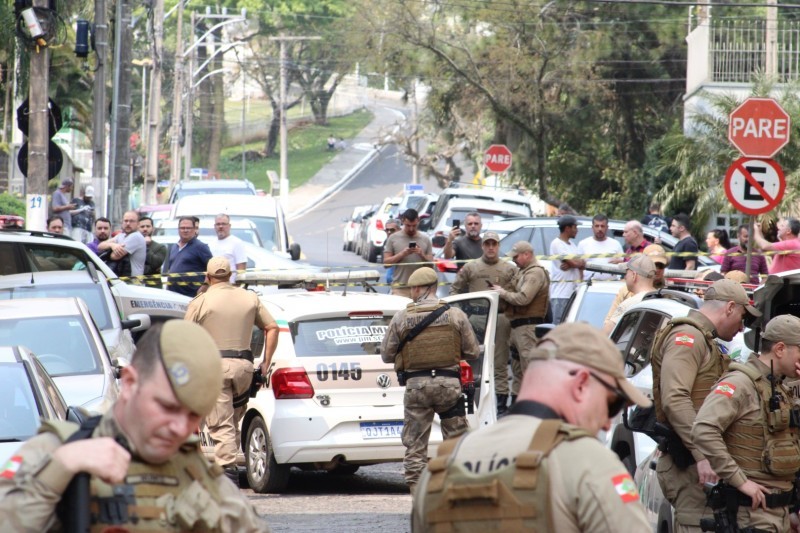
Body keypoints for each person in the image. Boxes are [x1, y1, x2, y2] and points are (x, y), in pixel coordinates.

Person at [0, 320, 270, 532]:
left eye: (192, 415)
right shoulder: (55, 451)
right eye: (167, 407)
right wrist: (62, 467)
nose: (179, 428)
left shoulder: (193, 470)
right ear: (129, 382)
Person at [411, 323, 652, 532]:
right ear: (580, 384)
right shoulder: (589, 462)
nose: (608, 422)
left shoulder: (441, 468)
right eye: (612, 404)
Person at [651, 279, 761, 531]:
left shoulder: (703, 338)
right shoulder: (688, 337)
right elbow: (675, 399)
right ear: (730, 307)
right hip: (691, 465)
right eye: (742, 317)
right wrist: (703, 454)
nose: (741, 326)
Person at [692, 314, 800, 532]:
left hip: (781, 510)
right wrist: (739, 480)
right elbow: (703, 429)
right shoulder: (739, 384)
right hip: (752, 512)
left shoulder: (780, 388)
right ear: (780, 349)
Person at [380, 267, 480, 492]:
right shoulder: (455, 315)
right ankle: (456, 497)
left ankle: (418, 499)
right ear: (434, 287)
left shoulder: (401, 317)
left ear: (417, 288)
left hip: (417, 389)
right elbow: (473, 351)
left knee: (415, 448)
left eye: (412, 289)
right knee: (455, 444)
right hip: (449, 387)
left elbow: (386, 355)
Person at [185, 257, 279, 486]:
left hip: (216, 368)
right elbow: (272, 327)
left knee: (222, 425)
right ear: (230, 276)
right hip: (244, 369)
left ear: (207, 278)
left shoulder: (201, 301)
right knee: (232, 421)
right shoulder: (250, 298)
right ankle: (225, 468)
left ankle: (228, 478)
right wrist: (265, 362)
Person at [450, 231, 517, 415]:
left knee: (500, 361)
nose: (490, 247)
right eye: (487, 244)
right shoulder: (471, 268)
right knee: (472, 359)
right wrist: (461, 313)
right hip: (476, 319)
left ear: (498, 246)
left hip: (501, 318)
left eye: (494, 244)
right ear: (482, 246)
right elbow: (454, 290)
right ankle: (470, 398)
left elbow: (519, 294)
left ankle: (501, 404)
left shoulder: (509, 269)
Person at [491, 241, 550, 373]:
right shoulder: (523, 271)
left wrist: (503, 293)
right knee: (517, 369)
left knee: (530, 371)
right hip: (518, 327)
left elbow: (523, 298)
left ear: (527, 255)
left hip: (528, 328)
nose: (513, 260)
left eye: (516, 257)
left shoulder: (534, 273)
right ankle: (517, 394)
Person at [383, 209, 434, 298]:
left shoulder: (426, 239)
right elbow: (386, 263)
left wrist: (422, 255)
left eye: (414, 226)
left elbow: (431, 265)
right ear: (402, 221)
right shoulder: (393, 238)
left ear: (418, 221)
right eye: (408, 225)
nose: (411, 229)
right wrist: (402, 254)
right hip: (400, 288)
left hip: (421, 288)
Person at [602, 255, 656, 334]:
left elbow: (605, 335)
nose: (625, 277)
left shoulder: (630, 304)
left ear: (634, 275)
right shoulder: (662, 298)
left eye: (626, 272)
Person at [163, 216, 213, 297]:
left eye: (188, 228)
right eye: (182, 228)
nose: (185, 230)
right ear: (178, 229)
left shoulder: (201, 247)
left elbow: (213, 270)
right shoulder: (174, 247)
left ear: (194, 230)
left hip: (192, 296)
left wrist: (203, 288)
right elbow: (169, 271)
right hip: (173, 295)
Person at [549, 215, 584, 324]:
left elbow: (582, 263)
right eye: (575, 227)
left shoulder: (573, 245)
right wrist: (574, 263)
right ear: (567, 228)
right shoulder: (557, 244)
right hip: (561, 294)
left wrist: (574, 264)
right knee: (559, 326)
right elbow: (574, 262)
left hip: (573, 292)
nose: (577, 230)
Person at [97, 210, 146, 277]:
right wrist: (112, 245)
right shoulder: (121, 236)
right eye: (126, 221)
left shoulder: (136, 236)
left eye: (131, 221)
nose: (128, 223)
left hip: (132, 283)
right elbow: (100, 246)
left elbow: (114, 256)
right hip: (123, 281)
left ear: (138, 224)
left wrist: (109, 251)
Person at [577, 214, 623, 280]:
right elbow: (579, 268)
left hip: (611, 285)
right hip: (589, 286)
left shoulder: (615, 244)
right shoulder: (583, 244)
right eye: (597, 226)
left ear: (607, 227)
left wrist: (619, 262)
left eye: (602, 226)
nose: (600, 229)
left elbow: (624, 264)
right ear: (592, 227)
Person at [210, 213, 247, 282]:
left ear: (229, 226)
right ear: (214, 226)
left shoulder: (237, 243)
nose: (220, 226)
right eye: (218, 224)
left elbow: (241, 269)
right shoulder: (211, 244)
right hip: (214, 287)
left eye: (224, 224)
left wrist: (237, 287)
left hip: (231, 286)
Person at [138, 216, 167, 284]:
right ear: (137, 229)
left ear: (153, 228)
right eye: (142, 227)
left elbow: (155, 264)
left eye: (148, 226)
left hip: (153, 288)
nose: (145, 229)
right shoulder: (132, 246)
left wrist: (145, 246)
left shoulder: (160, 247)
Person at [383, 218, 400, 285]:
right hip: (392, 278)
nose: (389, 232)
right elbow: (386, 264)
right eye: (387, 230)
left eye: (392, 230)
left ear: (399, 230)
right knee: (389, 278)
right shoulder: (386, 242)